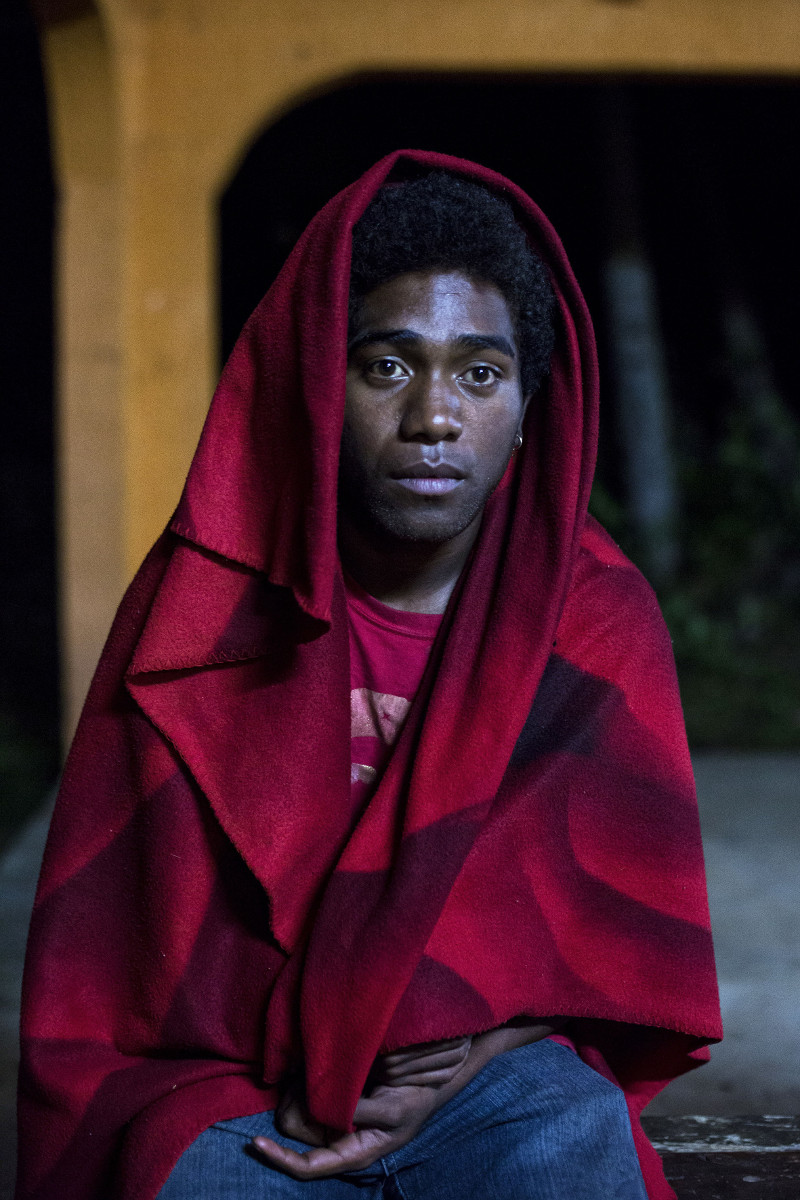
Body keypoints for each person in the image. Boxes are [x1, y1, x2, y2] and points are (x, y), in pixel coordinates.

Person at [16, 151, 721, 1200]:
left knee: (571, 1143)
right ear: (316, 386)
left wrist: (479, 1041)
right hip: (236, 1070)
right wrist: (318, 1048)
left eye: (478, 374)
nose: (432, 416)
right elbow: (118, 960)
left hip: (484, 1063)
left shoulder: (590, 617)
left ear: (529, 406)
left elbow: (607, 940)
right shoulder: (206, 607)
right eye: (386, 366)